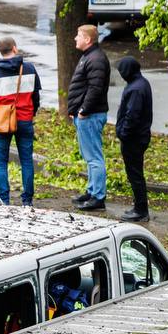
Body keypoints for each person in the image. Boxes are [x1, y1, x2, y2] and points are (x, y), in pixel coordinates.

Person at [0, 36, 40, 206]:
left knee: (1, 162)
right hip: (25, 120)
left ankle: (4, 200)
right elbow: (36, 96)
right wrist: (32, 113)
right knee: (27, 161)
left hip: (3, 123)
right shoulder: (29, 68)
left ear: (1, 51)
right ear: (15, 48)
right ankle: (27, 201)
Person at [66, 24, 111, 211]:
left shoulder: (96, 59)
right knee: (89, 156)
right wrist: (75, 109)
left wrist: (83, 110)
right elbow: (84, 86)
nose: (75, 38)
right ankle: (92, 191)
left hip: (90, 116)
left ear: (88, 39)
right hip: (86, 115)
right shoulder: (89, 56)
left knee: (94, 157)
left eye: (78, 35)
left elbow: (95, 88)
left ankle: (98, 197)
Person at [114, 56, 153, 222]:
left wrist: (123, 132)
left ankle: (141, 209)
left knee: (135, 174)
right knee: (136, 173)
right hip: (139, 136)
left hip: (134, 139)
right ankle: (139, 207)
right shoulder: (141, 83)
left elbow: (132, 115)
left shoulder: (136, 88)